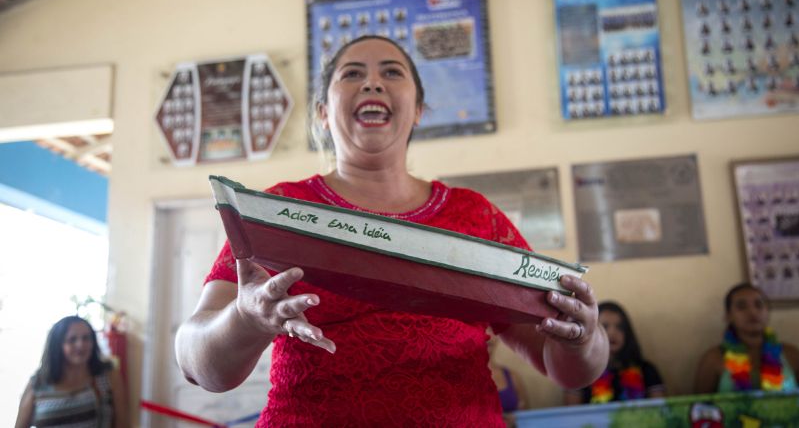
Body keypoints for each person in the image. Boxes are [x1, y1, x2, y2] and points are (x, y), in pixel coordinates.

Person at [175, 35, 608, 426]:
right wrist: (246, 319)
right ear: (324, 113)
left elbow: (564, 367)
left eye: (392, 72)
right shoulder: (276, 211)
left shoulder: (475, 215)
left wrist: (583, 339)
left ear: (418, 109)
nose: (372, 83)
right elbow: (196, 366)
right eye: (352, 74)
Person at [14, 315, 129, 428]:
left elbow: (122, 424)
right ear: (57, 345)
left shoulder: (108, 376)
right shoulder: (38, 383)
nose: (80, 345)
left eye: (86, 338)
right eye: (72, 339)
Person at [694, 283, 799, 394]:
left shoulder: (791, 354)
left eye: (759, 305)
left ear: (767, 312)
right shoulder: (713, 359)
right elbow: (699, 407)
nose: (752, 312)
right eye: (741, 307)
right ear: (728, 316)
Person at [564, 301, 665, 405]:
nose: (612, 332)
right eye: (605, 326)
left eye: (619, 327)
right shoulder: (579, 374)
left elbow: (659, 413)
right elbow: (572, 417)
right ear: (592, 331)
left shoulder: (647, 370)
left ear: (627, 333)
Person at [487, 330, 528, 427]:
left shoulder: (512, 377)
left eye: (492, 330)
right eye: (482, 328)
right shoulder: (460, 381)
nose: (487, 335)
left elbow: (526, 418)